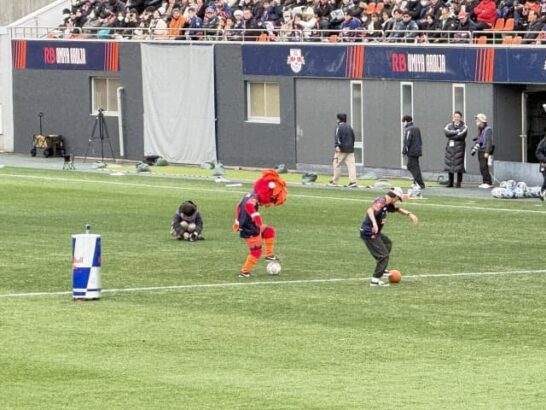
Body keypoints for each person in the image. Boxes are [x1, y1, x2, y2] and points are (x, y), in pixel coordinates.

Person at [233, 169, 287, 277]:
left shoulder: (251, 193)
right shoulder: (253, 199)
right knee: (256, 252)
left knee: (269, 231)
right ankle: (244, 272)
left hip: (249, 225)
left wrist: (237, 221)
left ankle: (269, 255)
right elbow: (249, 205)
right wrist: (256, 217)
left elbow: (238, 206)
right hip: (249, 228)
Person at [360, 187, 419, 287]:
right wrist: (374, 223)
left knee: (387, 243)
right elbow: (370, 210)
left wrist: (409, 214)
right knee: (383, 256)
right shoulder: (382, 201)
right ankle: (374, 281)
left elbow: (397, 209)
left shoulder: (387, 203)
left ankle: (382, 268)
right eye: (398, 199)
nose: (397, 201)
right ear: (394, 196)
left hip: (376, 233)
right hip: (370, 232)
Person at [329, 113, 357, 188]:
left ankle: (334, 181)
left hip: (341, 149)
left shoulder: (338, 127)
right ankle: (353, 181)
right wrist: (351, 146)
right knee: (351, 166)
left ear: (338, 119)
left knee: (336, 164)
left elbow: (337, 137)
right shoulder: (349, 127)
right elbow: (353, 137)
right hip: (350, 150)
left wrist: (337, 145)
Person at [443, 111, 468, 188]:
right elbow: (446, 133)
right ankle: (450, 182)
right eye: (455, 116)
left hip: (460, 148)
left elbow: (461, 136)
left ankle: (458, 182)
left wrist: (451, 135)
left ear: (460, 118)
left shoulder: (464, 126)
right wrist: (456, 132)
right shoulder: (449, 125)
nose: (456, 118)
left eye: (458, 117)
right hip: (450, 148)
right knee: (450, 164)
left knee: (459, 165)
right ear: (453, 117)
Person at [402, 115, 425, 190]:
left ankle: (419, 183)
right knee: (415, 167)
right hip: (417, 151)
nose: (403, 124)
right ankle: (416, 182)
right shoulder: (416, 128)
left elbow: (407, 141)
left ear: (406, 121)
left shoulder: (408, 129)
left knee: (411, 166)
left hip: (411, 152)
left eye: (403, 122)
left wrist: (404, 151)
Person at [474, 113, 494, 188]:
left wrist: (487, 152)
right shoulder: (481, 129)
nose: (477, 122)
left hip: (484, 150)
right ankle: (484, 181)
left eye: (478, 120)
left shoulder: (488, 129)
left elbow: (489, 141)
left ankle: (488, 182)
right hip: (480, 150)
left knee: (484, 167)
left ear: (482, 121)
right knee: (482, 167)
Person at [535, 134, 546, 201]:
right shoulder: (543, 142)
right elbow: (538, 152)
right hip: (544, 164)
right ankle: (542, 192)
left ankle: (542, 193)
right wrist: (544, 159)